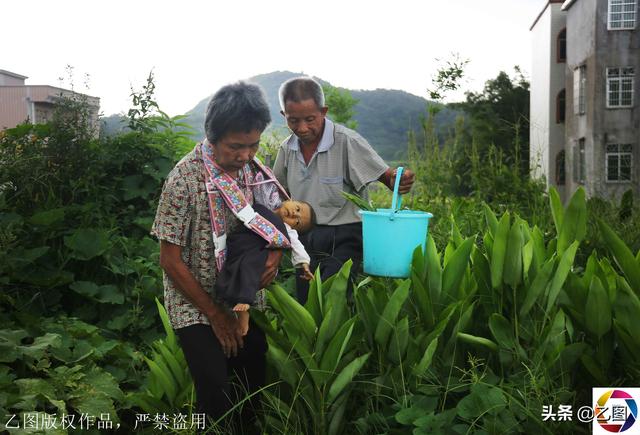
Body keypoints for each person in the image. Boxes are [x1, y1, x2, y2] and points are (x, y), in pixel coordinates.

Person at [151, 81, 285, 433]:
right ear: (212, 138)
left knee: (251, 381)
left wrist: (274, 255)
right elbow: (170, 260)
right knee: (216, 394)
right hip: (194, 302)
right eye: (235, 147)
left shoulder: (253, 171)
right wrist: (214, 315)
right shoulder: (185, 179)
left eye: (253, 144)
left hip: (239, 295)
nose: (244, 155)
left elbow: (272, 220)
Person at [272, 76, 415, 303]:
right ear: (284, 116)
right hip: (305, 237)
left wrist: (399, 178)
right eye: (293, 120)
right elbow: (276, 193)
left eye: (310, 119)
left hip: (345, 236)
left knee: (332, 297)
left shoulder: (347, 141)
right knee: (306, 301)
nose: (302, 128)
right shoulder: (286, 149)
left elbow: (387, 178)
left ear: (324, 111)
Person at [215, 199, 316, 336]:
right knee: (232, 270)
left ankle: (244, 302)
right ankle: (231, 296)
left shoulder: (285, 229)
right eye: (297, 209)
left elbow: (297, 245)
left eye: (297, 221)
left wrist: (304, 263)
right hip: (238, 242)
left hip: (254, 251)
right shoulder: (266, 201)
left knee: (250, 266)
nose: (293, 214)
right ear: (289, 199)